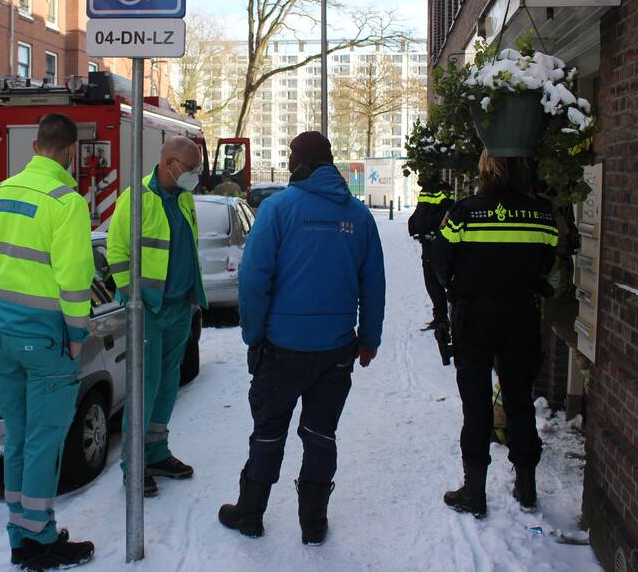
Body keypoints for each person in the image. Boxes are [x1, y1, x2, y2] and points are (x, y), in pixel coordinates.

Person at [219, 131, 386, 545]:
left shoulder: (278, 209)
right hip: (335, 350)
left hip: (281, 348)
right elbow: (374, 283)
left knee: (269, 430)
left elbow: (255, 278)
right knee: (320, 434)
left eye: (292, 157)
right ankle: (313, 523)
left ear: (301, 164)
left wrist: (253, 334)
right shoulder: (359, 216)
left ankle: (250, 513)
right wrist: (369, 337)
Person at [0, 113, 96, 570]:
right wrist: (78, 336)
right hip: (47, 341)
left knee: (18, 440)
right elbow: (76, 280)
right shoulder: (67, 202)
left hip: (4, 336)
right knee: (46, 441)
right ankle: (40, 540)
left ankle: (19, 534)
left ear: (35, 147)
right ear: (69, 151)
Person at [431, 151, 558, 518]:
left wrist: (455, 290)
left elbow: (440, 259)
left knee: (476, 406)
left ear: (486, 170)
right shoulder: (542, 215)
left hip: (474, 318)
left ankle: (475, 492)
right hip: (521, 316)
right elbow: (548, 262)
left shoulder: (465, 212)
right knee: (519, 400)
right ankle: (527, 486)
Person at [106, 135, 207, 497]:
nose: (195, 174)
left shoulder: (184, 199)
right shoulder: (135, 199)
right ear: (169, 165)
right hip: (147, 309)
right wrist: (133, 298)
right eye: (191, 168)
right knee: (143, 388)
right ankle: (134, 464)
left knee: (167, 385)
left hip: (179, 307)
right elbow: (116, 251)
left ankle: (156, 453)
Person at [407, 171, 454, 336]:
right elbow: (421, 212)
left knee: (439, 282)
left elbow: (446, 213)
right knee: (430, 283)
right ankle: (439, 317)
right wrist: (412, 223)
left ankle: (444, 319)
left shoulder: (444, 191)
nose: (420, 174)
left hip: (437, 243)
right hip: (426, 243)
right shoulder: (425, 190)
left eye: (423, 171)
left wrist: (427, 227)